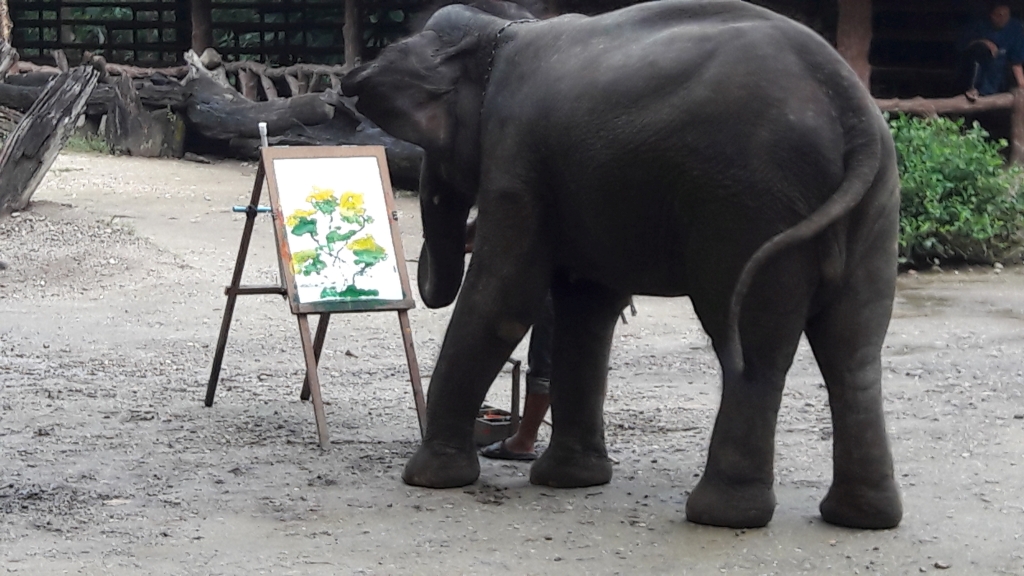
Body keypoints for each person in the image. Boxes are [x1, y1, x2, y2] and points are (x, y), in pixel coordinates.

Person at [461, 217, 552, 460]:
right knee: (588, 350)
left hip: (560, 267)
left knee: (547, 355)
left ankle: (525, 440)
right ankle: (583, 437)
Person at [958, 2, 1024, 100]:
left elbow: (1016, 62)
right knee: (981, 49)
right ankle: (973, 89)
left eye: (1006, 15)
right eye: (999, 15)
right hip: (979, 77)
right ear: (991, 15)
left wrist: (1022, 85)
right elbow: (962, 46)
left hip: (1001, 78)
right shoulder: (979, 25)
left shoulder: (1015, 28)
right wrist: (983, 42)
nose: (1003, 19)